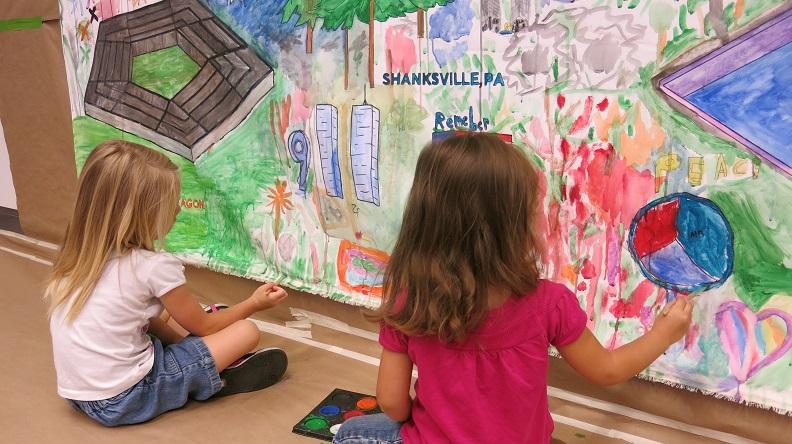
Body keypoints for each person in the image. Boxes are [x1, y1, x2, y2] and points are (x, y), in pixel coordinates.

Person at [333, 133, 693, 444]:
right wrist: (663, 333)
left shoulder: (408, 300)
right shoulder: (550, 304)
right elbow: (608, 371)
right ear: (513, 227)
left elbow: (392, 402)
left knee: (351, 433)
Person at [46, 140, 289, 427]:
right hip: (126, 398)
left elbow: (142, 319)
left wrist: (186, 340)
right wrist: (254, 303)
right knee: (245, 331)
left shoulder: (80, 255)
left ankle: (201, 358)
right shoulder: (152, 266)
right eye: (171, 202)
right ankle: (211, 378)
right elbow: (205, 327)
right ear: (143, 213)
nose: (177, 208)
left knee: (173, 314)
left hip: (80, 395)